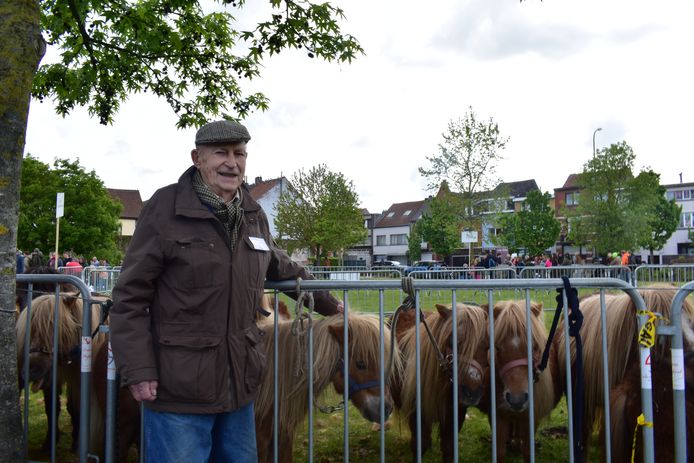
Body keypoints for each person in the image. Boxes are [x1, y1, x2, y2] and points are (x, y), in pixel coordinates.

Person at [109, 120, 343, 463]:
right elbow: (129, 297)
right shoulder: (165, 208)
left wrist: (332, 304)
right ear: (197, 158)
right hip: (180, 386)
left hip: (239, 383)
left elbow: (280, 265)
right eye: (221, 153)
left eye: (240, 154)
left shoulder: (252, 214)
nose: (232, 163)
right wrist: (139, 369)